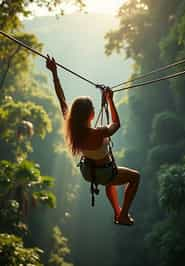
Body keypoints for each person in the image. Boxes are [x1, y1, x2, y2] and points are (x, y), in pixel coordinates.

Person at [46, 55, 140, 225]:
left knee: (110, 181)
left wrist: (54, 73)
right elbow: (116, 124)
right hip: (104, 173)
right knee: (134, 177)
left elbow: (61, 99)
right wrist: (110, 100)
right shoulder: (98, 133)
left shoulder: (73, 130)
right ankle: (123, 214)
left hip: (90, 173)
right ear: (91, 115)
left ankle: (117, 213)